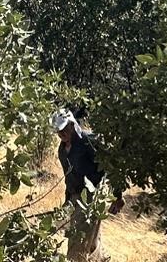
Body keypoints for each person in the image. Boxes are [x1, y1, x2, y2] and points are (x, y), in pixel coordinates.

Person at [52, 108, 122, 261]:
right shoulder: (62, 150)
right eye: (58, 131)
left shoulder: (88, 140)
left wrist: (118, 195)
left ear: (72, 124)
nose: (61, 133)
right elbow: (68, 177)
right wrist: (67, 201)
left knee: (78, 241)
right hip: (75, 196)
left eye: (64, 128)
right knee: (91, 242)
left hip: (92, 195)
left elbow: (110, 166)